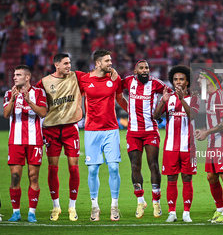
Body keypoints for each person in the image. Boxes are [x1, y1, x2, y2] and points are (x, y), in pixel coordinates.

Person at [117, 59, 171, 219]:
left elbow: (170, 96)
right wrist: (130, 110)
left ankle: (156, 202)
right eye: (141, 68)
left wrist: (161, 108)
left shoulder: (156, 83)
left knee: (153, 165)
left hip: (150, 131)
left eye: (147, 67)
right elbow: (117, 95)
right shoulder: (127, 81)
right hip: (133, 132)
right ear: (136, 71)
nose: (145, 70)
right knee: (135, 166)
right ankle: (140, 201)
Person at [78, 50, 127, 221]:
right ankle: (94, 206)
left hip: (111, 129)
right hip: (91, 131)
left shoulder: (114, 79)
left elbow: (121, 100)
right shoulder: (83, 79)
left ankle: (114, 205)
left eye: (110, 60)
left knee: (114, 167)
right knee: (92, 170)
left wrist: (133, 114)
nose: (110, 63)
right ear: (97, 63)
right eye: (107, 60)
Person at [36, 53, 84, 221]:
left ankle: (72, 206)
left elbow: (95, 78)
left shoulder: (77, 77)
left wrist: (110, 72)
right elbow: (36, 99)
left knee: (73, 167)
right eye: (65, 63)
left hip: (71, 128)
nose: (68, 66)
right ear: (56, 65)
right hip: (51, 130)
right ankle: (56, 206)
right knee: (52, 168)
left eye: (69, 63)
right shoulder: (44, 82)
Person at [153, 65, 199, 223]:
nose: (178, 82)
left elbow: (193, 116)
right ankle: (172, 212)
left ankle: (186, 212)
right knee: (171, 179)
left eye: (181, 79)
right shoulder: (168, 97)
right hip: (170, 147)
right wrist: (162, 102)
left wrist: (181, 99)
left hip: (188, 147)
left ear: (187, 81)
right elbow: (156, 116)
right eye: (175, 79)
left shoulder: (195, 98)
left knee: (187, 178)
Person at [4, 65, 47, 223]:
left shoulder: (39, 93)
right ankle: (16, 212)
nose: (14, 77)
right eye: (14, 74)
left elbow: (43, 112)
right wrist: (13, 100)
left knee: (33, 177)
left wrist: (28, 100)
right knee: (15, 177)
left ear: (27, 77)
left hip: (35, 141)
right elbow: (6, 114)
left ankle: (31, 212)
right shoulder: (9, 93)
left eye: (18, 75)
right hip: (15, 141)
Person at [194, 70, 223, 223]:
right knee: (211, 177)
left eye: (200, 78)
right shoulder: (210, 97)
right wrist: (204, 132)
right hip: (213, 143)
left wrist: (207, 132)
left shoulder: (221, 96)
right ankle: (219, 209)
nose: (198, 81)